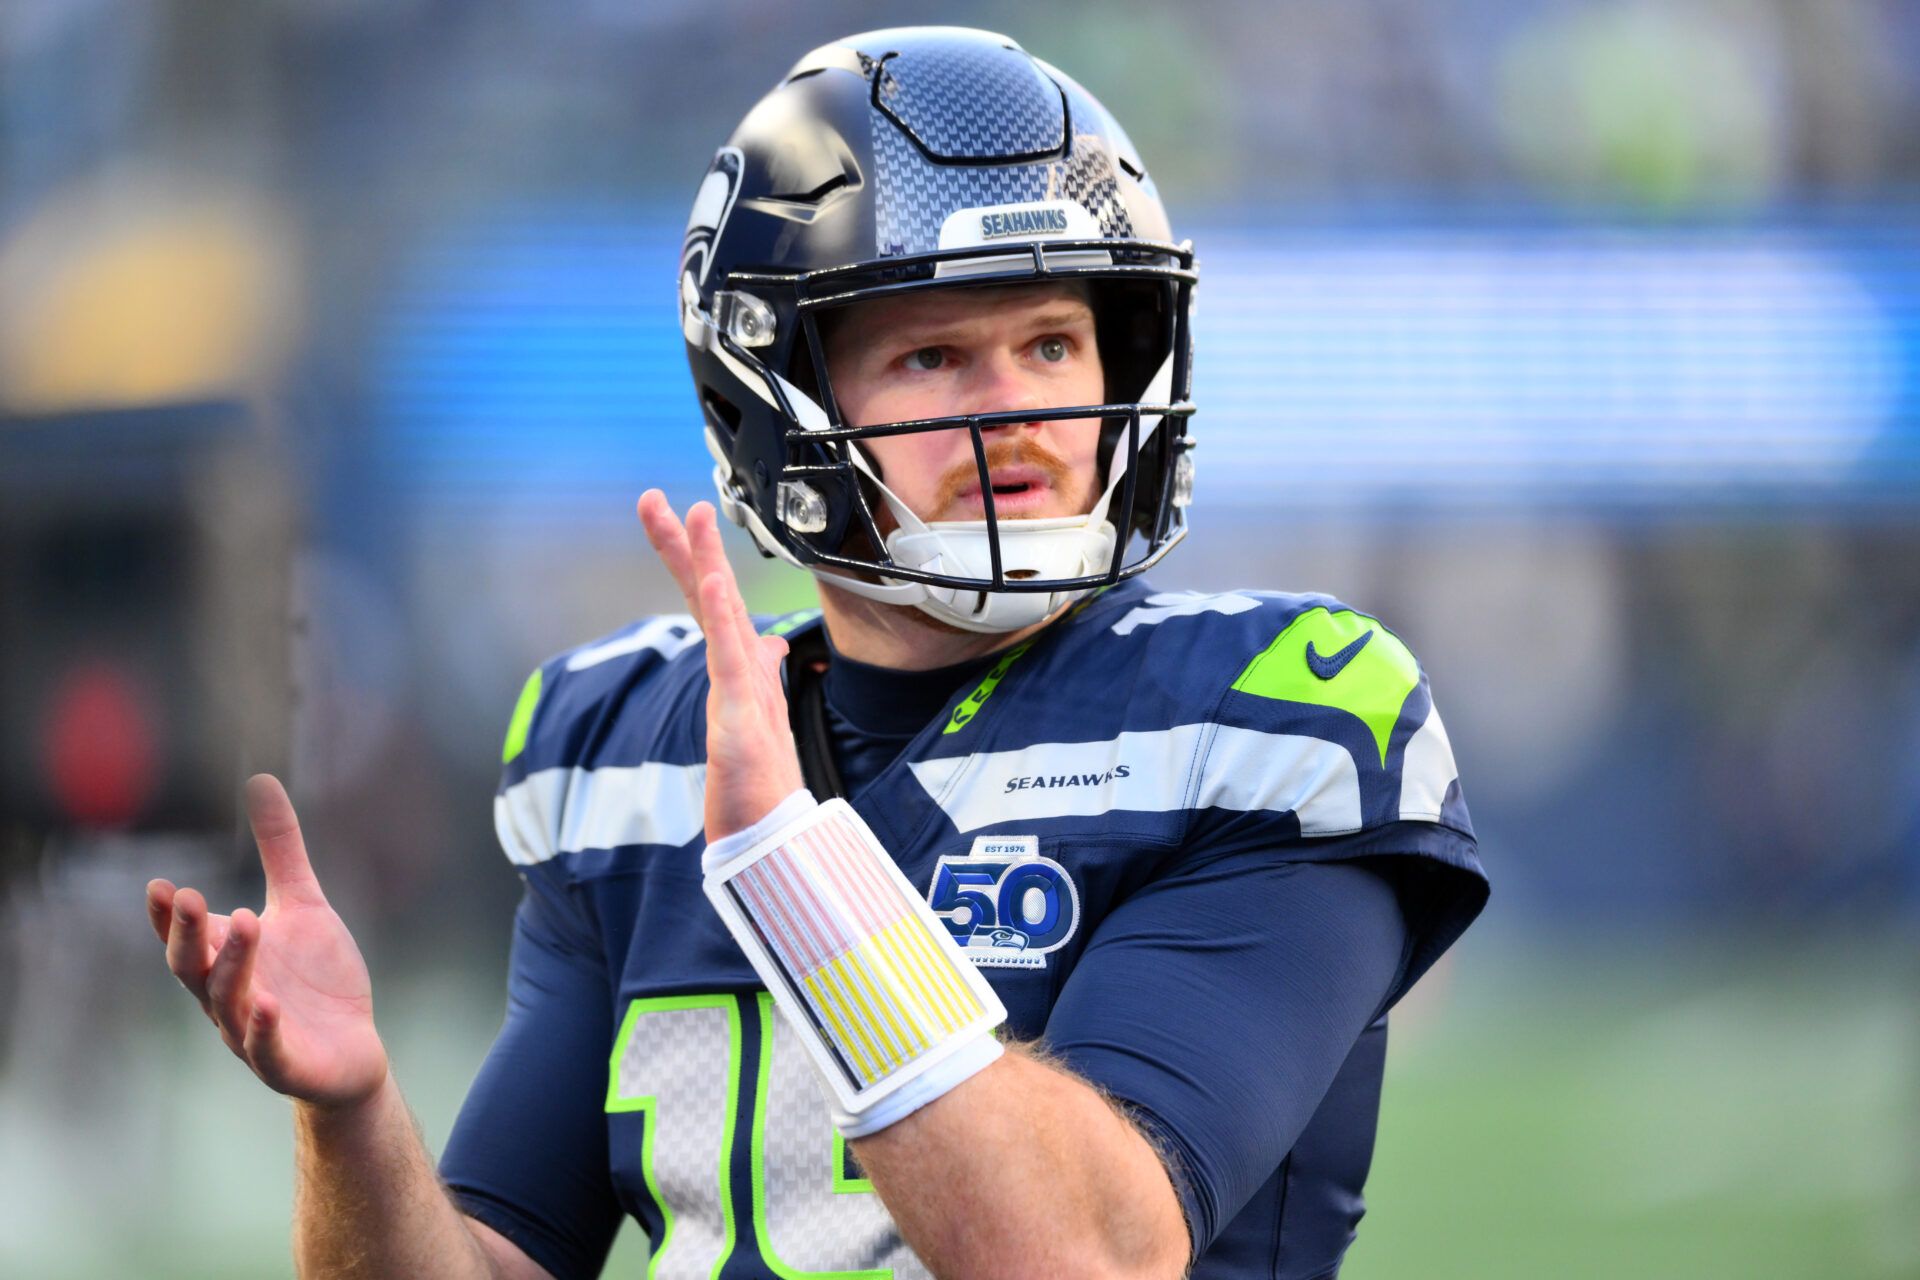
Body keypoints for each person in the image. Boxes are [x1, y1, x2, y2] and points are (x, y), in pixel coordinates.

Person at [147, 27, 1488, 1280]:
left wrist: (789, 862)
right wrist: (353, 1112)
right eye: (932, 356)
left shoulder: (1269, 719)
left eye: (1054, 340)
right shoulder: (624, 746)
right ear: (771, 401)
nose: (1018, 409)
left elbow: (1089, 1256)